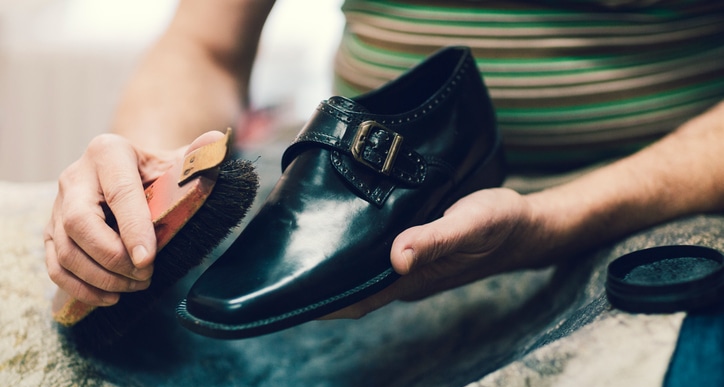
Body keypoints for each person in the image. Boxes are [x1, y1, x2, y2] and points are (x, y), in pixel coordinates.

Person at [44, 0, 724, 317]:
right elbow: (204, 47)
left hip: (656, 205)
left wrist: (554, 219)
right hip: (359, 194)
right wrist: (150, 172)